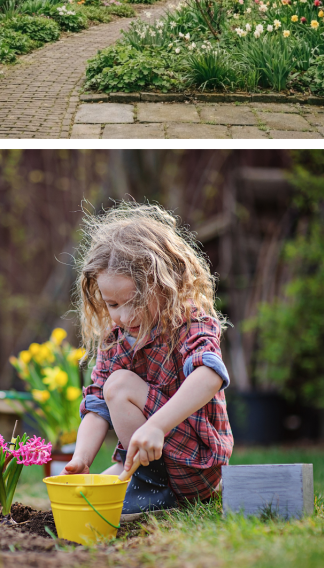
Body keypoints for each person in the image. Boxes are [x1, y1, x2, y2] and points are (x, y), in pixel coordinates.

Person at [64, 202, 233, 513]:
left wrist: (156, 426)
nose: (125, 316)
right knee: (88, 502)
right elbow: (97, 404)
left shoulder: (189, 322)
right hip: (149, 459)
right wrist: (81, 458)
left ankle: (154, 488)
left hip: (195, 461)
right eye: (113, 304)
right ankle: (148, 484)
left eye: (135, 300)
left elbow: (210, 374)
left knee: (120, 386)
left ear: (165, 284)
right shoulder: (115, 340)